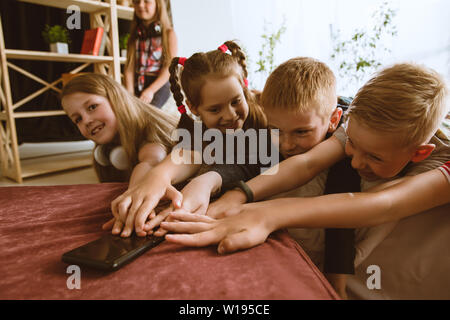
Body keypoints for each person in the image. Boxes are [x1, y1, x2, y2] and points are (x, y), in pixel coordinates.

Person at [159, 62, 450, 298]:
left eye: (374, 157)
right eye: (352, 146)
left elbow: (384, 203)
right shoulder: (356, 126)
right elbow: (307, 163)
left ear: (420, 153)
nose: (357, 161)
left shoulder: (437, 160)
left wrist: (265, 214)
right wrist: (237, 194)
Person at [108, 40, 267, 238]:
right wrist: (160, 175)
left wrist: (209, 179)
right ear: (193, 108)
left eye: (236, 101)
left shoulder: (263, 116)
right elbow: (189, 153)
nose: (230, 115)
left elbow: (252, 163)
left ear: (244, 88)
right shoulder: (191, 125)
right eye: (215, 109)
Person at [61, 73, 177, 187]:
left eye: (92, 107)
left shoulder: (150, 131)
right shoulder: (108, 150)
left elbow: (152, 161)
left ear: (116, 99)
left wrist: (133, 193)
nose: (86, 121)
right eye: (78, 119)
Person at [124, 0, 177, 108]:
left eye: (146, 1)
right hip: (138, 83)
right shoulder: (134, 37)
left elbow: (169, 68)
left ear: (157, 5)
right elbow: (129, 67)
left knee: (149, 116)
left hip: (159, 85)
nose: (141, 5)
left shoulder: (169, 34)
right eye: (136, 2)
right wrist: (129, 94)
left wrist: (150, 90)